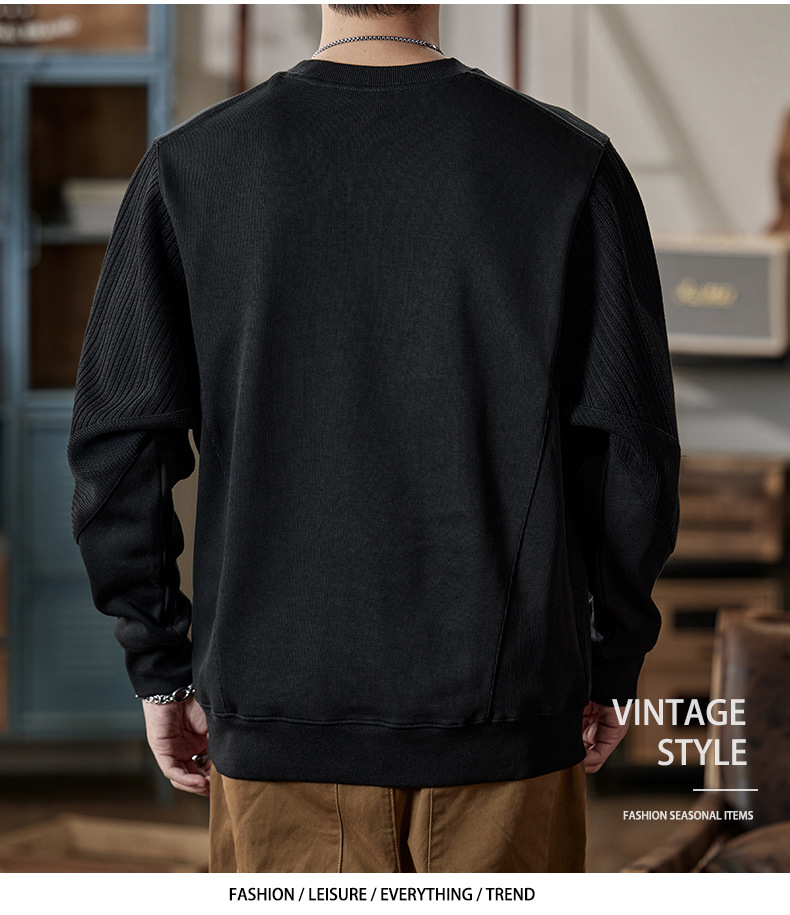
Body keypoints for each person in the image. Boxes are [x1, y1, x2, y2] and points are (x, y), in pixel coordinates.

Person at [67, 3, 681, 873]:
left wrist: (160, 663)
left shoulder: (190, 167)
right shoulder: (569, 164)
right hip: (506, 720)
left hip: (277, 717)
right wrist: (611, 658)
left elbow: (119, 453)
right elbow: (631, 456)